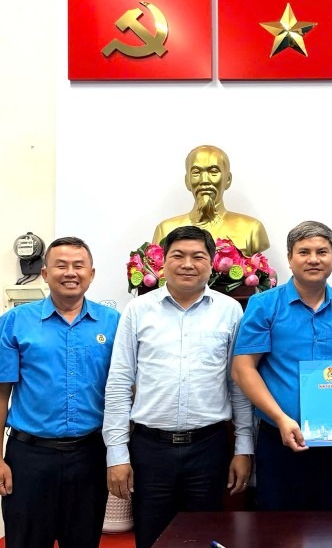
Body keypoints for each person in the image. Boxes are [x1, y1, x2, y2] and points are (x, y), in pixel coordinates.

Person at [103, 226, 252, 548]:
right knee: (152, 539)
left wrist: (243, 448)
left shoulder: (230, 310)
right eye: (178, 256)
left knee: (205, 537)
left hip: (209, 448)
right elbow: (118, 383)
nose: (188, 264)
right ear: (162, 263)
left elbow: (238, 385)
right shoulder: (137, 310)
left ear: (212, 263)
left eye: (198, 256)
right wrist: (116, 453)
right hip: (149, 449)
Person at [0, 237, 120, 548]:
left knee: (83, 541)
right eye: (61, 265)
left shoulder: (113, 323)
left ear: (92, 273)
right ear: (45, 273)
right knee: (26, 541)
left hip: (90, 455)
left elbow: (124, 389)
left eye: (78, 265)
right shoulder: (16, 321)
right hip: (30, 458)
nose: (70, 272)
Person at [231, 220, 332, 510]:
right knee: (279, 531)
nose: (314, 259)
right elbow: (243, 368)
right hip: (279, 438)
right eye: (304, 252)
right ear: (290, 258)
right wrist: (281, 418)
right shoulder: (264, 306)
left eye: (322, 251)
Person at [152, 145, 270, 256]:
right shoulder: (165, 230)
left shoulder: (251, 229)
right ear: (187, 181)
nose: (204, 180)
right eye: (196, 172)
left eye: (213, 172)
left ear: (228, 180)